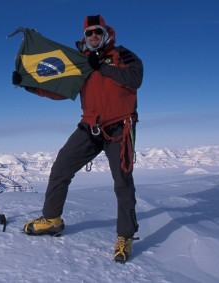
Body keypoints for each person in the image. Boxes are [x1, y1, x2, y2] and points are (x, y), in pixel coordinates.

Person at [12, 15, 143, 263]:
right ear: (85, 37)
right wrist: (31, 86)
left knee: (122, 182)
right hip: (90, 126)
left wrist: (101, 66)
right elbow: (62, 89)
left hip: (120, 128)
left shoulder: (123, 56)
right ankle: (52, 220)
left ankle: (125, 236)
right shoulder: (80, 62)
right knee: (61, 168)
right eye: (89, 33)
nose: (93, 36)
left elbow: (135, 79)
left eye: (97, 32)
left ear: (105, 33)